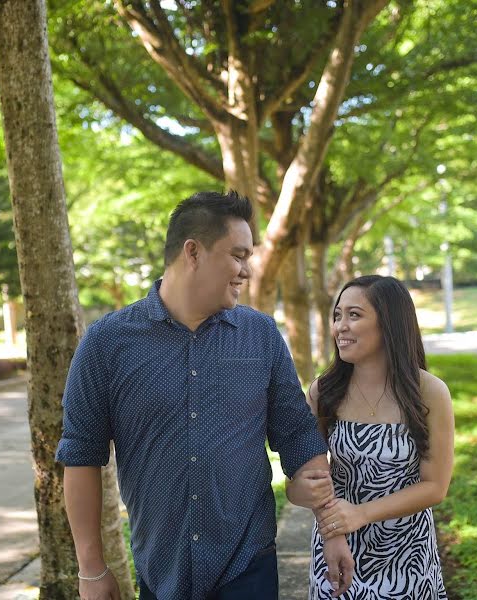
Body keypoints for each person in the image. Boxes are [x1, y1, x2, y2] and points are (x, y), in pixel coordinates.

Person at [55, 190, 353, 600]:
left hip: (248, 566)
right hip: (160, 574)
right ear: (192, 252)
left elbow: (298, 435)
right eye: (238, 255)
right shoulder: (106, 345)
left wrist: (330, 527)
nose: (246, 271)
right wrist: (90, 570)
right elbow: (81, 455)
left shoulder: (261, 336)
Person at [298, 275, 454, 599]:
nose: (341, 326)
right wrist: (332, 532)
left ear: (389, 324)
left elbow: (435, 486)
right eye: (337, 315)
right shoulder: (323, 392)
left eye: (354, 315)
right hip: (337, 551)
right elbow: (307, 478)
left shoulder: (430, 393)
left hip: (407, 557)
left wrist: (360, 514)